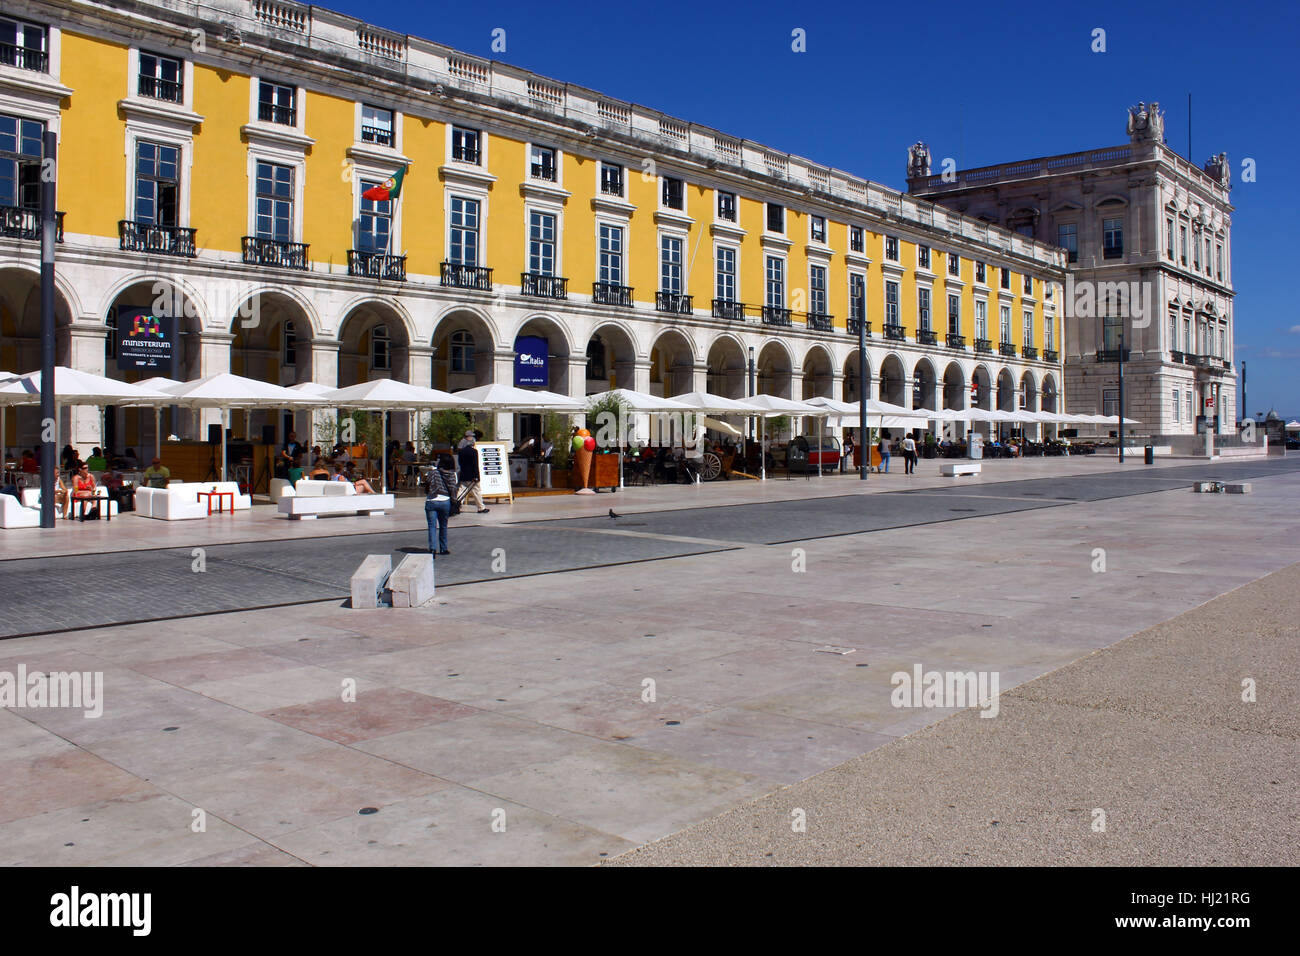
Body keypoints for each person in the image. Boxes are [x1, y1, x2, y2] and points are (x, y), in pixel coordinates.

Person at [422, 452, 459, 556]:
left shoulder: (433, 472)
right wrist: (454, 501)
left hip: (431, 501)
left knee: (432, 526)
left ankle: (432, 548)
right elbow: (453, 489)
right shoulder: (452, 474)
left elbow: (427, 485)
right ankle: (443, 548)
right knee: (443, 526)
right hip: (445, 502)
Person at [456, 432, 489, 513]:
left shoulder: (461, 452)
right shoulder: (473, 451)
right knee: (476, 491)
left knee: (461, 490)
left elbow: (460, 463)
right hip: (472, 475)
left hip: (463, 474)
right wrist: (477, 476)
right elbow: (475, 464)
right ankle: (481, 507)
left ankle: (456, 505)